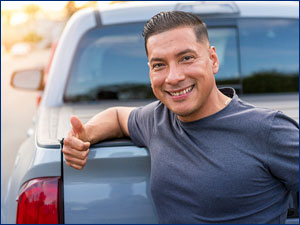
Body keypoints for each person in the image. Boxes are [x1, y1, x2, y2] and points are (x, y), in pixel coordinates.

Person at [62, 11, 299, 224]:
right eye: (159, 65)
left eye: (186, 58)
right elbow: (117, 116)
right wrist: (87, 135)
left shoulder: (269, 129)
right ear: (149, 71)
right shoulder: (157, 119)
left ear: (213, 60)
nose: (173, 77)